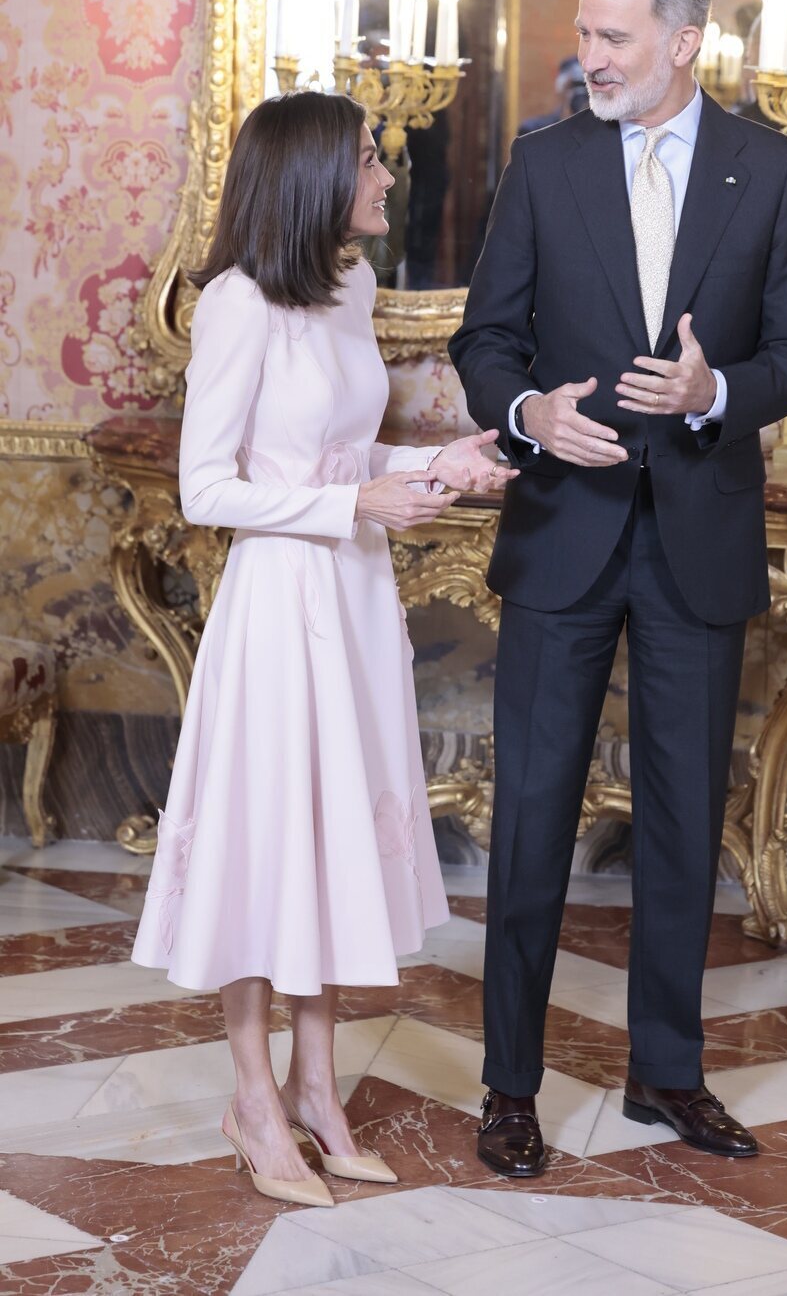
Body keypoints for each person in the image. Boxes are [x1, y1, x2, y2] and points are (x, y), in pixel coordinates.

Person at [449, 0, 787, 1176]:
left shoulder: (771, 172)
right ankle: (509, 1087)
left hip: (696, 539)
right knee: (531, 816)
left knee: (681, 823)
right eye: (585, 32)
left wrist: (717, 390)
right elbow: (483, 338)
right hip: (563, 529)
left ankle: (668, 1074)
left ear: (683, 42)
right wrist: (527, 416)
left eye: (614, 38)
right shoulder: (542, 165)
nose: (589, 57)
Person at [131, 91, 517, 1206]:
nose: (388, 176)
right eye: (367, 160)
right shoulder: (238, 304)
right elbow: (208, 489)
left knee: (328, 844)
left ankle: (317, 1089)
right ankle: (253, 1097)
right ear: (310, 176)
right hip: (278, 604)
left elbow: (343, 447)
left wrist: (443, 459)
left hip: (351, 599)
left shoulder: (348, 283)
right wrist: (353, 504)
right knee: (269, 848)